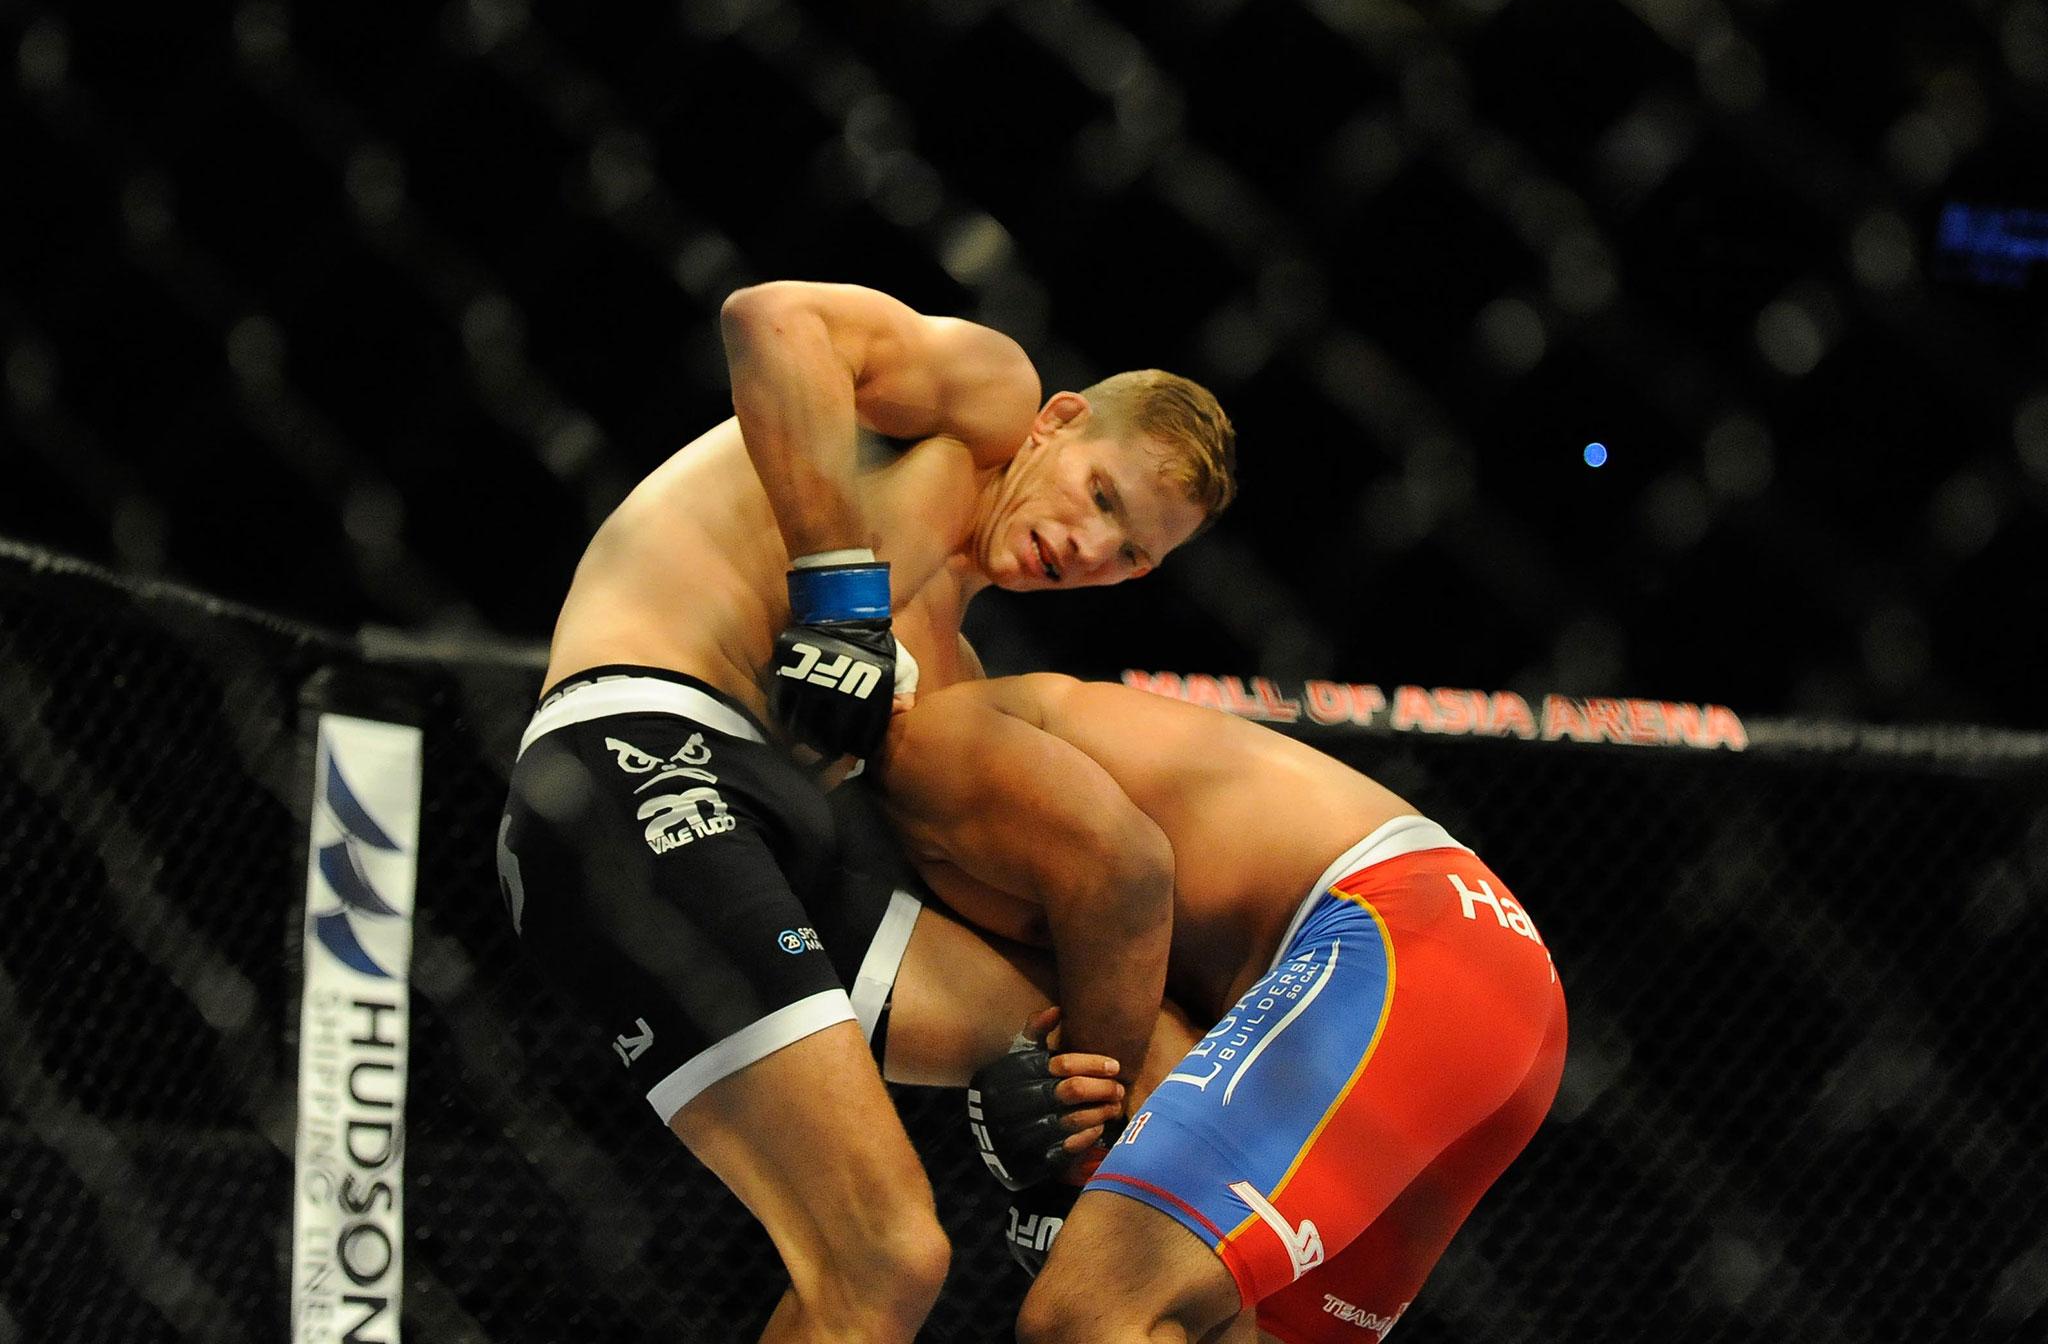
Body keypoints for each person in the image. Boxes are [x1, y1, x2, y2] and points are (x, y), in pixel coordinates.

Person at [494, 279, 1236, 1343]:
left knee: (1166, 1061)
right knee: (887, 1254)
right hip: (638, 756)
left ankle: (1084, 1228)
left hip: (775, 842)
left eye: (1131, 556)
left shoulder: (948, 673)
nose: (1089, 550)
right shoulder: (977, 407)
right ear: (1060, 422)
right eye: (1102, 499)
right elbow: (768, 317)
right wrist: (837, 597)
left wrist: (1053, 1115)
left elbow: (1026, 900)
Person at [876, 672, 1569, 1344]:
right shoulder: (1011, 743)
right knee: (1230, 1325)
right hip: (1480, 969)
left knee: (1090, 1312)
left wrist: (1083, 1158)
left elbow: (1126, 874)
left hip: (1389, 938)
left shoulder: (930, 742)